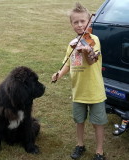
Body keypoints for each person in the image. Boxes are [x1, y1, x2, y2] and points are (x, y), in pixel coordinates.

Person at [51, 2, 107, 160]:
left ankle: (99, 151)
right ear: (71, 24)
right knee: (79, 121)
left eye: (83, 21)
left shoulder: (93, 40)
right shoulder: (72, 44)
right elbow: (68, 64)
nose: (80, 24)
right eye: (76, 22)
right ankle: (80, 144)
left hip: (94, 91)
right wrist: (59, 74)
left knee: (98, 123)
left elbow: (91, 61)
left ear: (89, 21)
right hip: (78, 91)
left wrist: (87, 51)